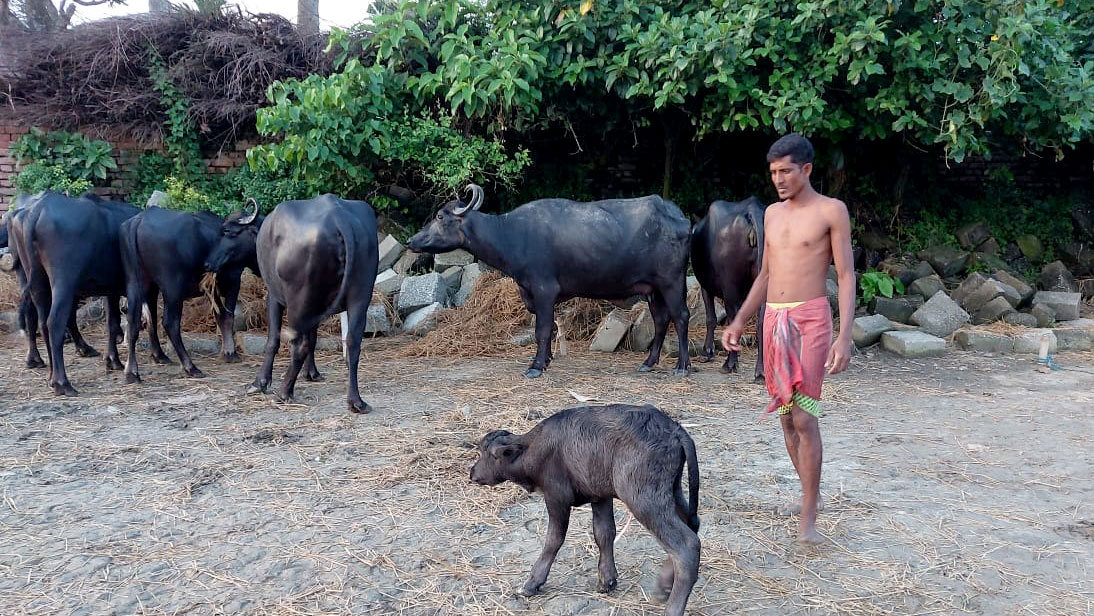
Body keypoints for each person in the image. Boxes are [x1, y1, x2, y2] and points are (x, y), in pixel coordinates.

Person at [722, 133, 855, 545]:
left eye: (785, 171)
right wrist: (740, 319)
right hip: (773, 322)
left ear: (806, 170)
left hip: (810, 321)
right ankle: (807, 496)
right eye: (773, 172)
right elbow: (765, 274)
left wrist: (845, 336)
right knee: (784, 416)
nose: (778, 179)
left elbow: (847, 275)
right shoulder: (772, 215)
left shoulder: (832, 211)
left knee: (803, 416)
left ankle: (809, 519)